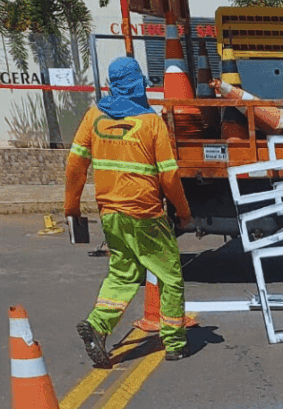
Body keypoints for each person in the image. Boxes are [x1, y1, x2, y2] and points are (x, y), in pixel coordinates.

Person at [64, 56, 194, 365]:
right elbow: (169, 176)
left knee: (123, 275)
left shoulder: (93, 117)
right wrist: (184, 211)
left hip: (112, 215)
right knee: (169, 275)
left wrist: (71, 208)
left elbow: (75, 166)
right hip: (147, 214)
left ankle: (97, 324)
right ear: (137, 84)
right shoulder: (151, 122)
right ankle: (175, 342)